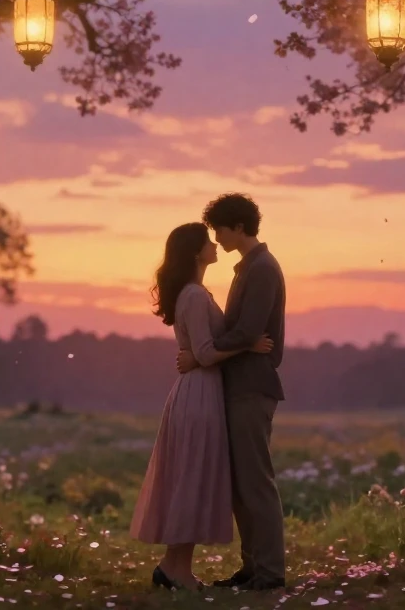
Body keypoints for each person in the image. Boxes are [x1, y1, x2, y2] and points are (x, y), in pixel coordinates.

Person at [130, 222, 274, 590]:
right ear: (196, 252)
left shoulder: (196, 292)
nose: (214, 245)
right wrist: (248, 344)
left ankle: (175, 567)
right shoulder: (193, 295)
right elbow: (207, 353)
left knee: (192, 477)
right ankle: (174, 567)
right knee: (191, 477)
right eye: (207, 241)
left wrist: (198, 355)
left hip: (202, 391)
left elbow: (200, 351)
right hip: (198, 395)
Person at [176, 193, 287, 591]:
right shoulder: (246, 269)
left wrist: (201, 357)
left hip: (252, 386)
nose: (217, 237)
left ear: (238, 227)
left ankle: (270, 571)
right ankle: (253, 566)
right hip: (236, 384)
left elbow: (248, 332)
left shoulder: (261, 270)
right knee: (241, 484)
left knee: (256, 481)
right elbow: (240, 334)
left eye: (220, 229)